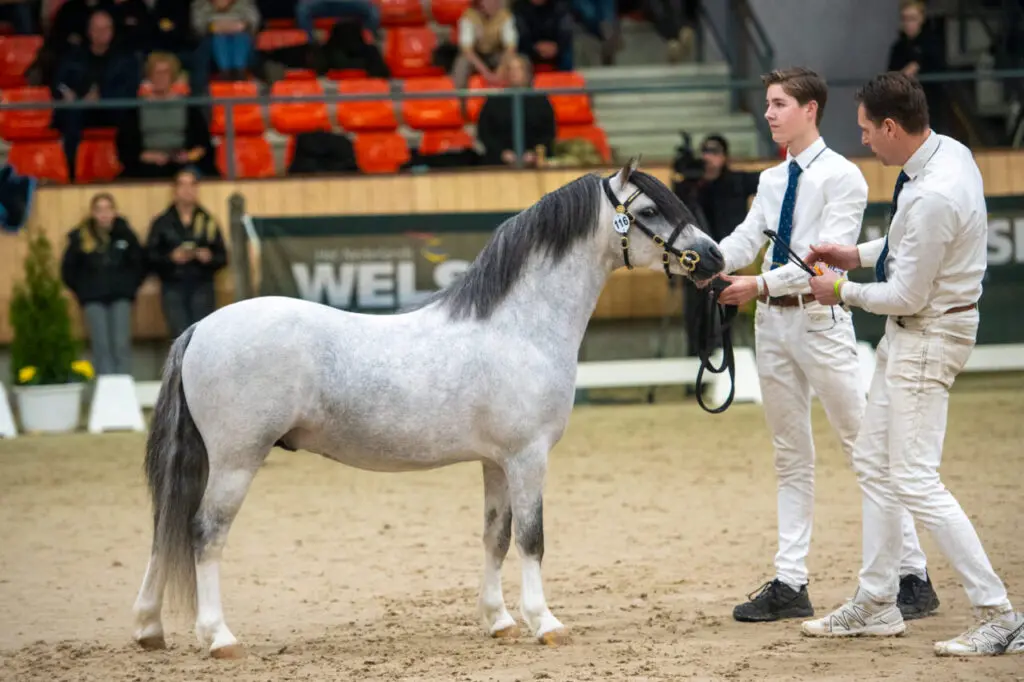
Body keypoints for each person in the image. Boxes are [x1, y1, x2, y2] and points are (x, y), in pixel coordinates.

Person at [802, 72, 1024, 657]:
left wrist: (840, 290)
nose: (865, 141)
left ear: (893, 126)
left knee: (916, 478)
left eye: (868, 131)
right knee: (875, 463)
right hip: (915, 333)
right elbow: (910, 245)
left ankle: (999, 614)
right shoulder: (948, 152)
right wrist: (855, 254)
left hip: (928, 331)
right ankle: (877, 602)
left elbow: (905, 295)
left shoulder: (933, 193)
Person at [710, 66, 939, 624]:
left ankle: (913, 573)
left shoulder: (843, 177)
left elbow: (818, 257)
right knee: (790, 455)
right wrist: (706, 258)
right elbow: (750, 237)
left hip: (819, 320)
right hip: (772, 325)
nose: (769, 113)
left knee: (863, 449)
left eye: (779, 103)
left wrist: (758, 283)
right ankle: (791, 580)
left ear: (810, 109)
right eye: (767, 103)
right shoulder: (770, 180)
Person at [60, 193, 146, 376]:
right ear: (92, 213)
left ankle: (123, 387)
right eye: (99, 210)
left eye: (108, 209)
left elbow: (140, 264)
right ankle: (105, 388)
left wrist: (129, 287)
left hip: (121, 297)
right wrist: (83, 290)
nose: (104, 214)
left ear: (115, 212)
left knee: (121, 344)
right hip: (93, 299)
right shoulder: (80, 238)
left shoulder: (126, 235)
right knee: (101, 346)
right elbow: (68, 270)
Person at [146, 168, 228, 339]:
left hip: (202, 286)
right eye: (182, 185)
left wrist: (208, 257)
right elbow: (149, 257)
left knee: (203, 338)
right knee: (179, 338)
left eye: (192, 185)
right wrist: (171, 258)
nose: (187, 190)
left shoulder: (208, 221)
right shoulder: (162, 222)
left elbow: (222, 257)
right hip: (173, 286)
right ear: (174, 190)